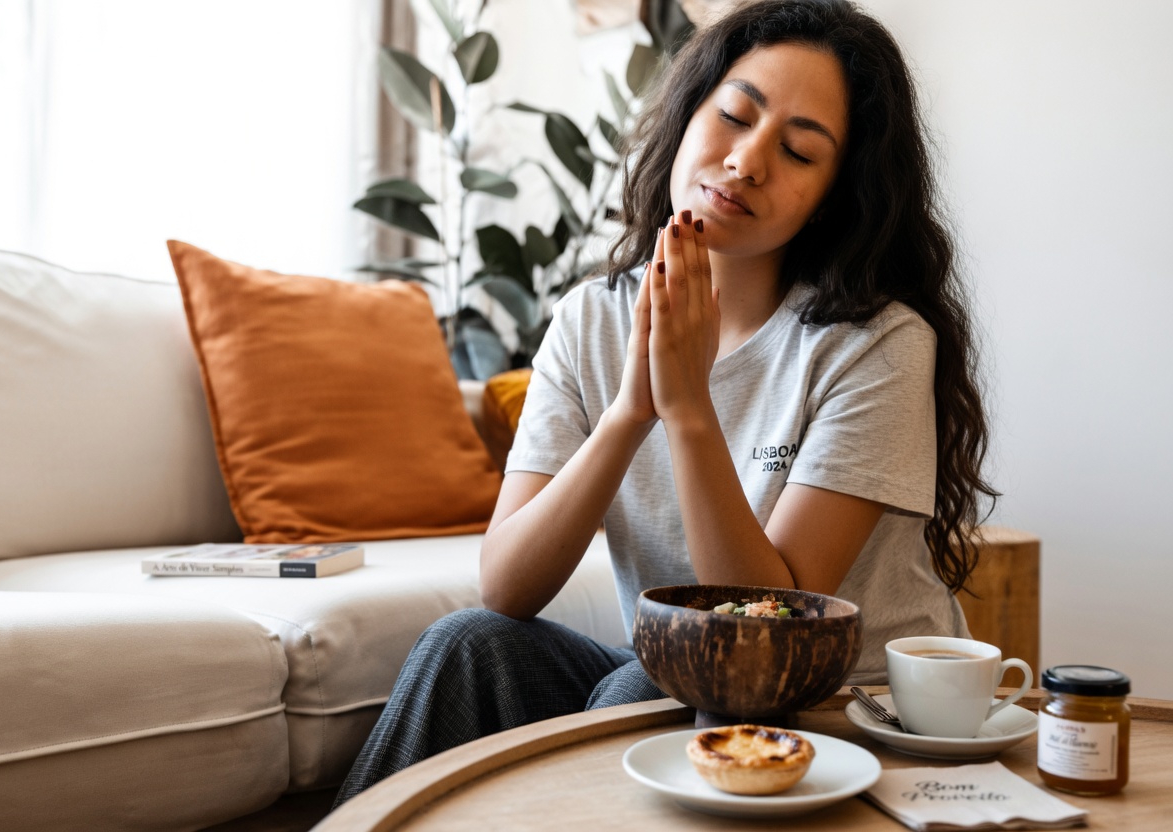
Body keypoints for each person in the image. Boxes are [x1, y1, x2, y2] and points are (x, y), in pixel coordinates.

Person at [334, 0, 997, 806]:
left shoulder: (875, 343)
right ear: (686, 119)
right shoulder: (591, 319)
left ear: (832, 195)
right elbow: (507, 586)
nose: (746, 162)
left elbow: (770, 627)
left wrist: (688, 410)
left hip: (845, 706)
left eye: (797, 151)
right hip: (685, 675)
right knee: (469, 645)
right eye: (734, 117)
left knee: (642, 692)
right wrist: (629, 413)